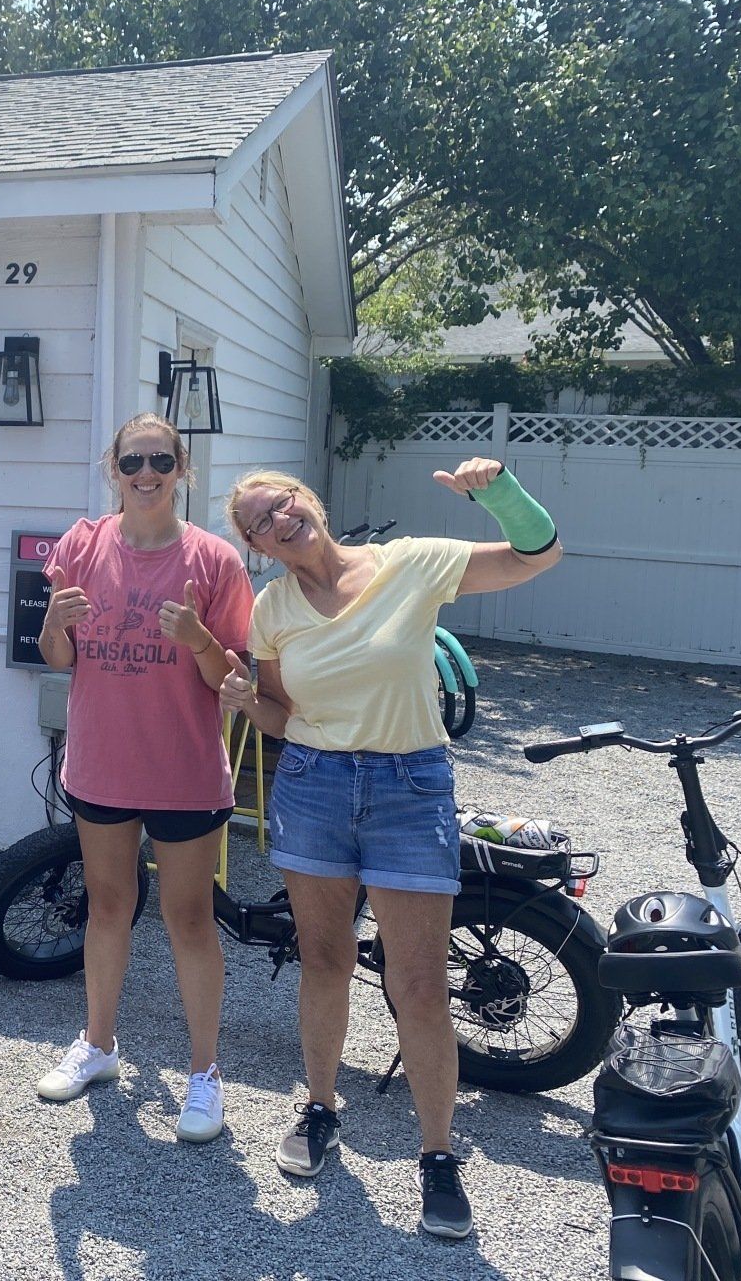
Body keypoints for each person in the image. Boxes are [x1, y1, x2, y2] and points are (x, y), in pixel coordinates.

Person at [219, 458, 563, 1240]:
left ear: (310, 502)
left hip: (410, 788)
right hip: (311, 786)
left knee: (418, 982)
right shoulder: (271, 609)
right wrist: (246, 701)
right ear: (257, 544)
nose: (279, 518)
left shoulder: (410, 563)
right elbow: (279, 713)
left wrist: (500, 492)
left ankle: (437, 1157)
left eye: (284, 502)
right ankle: (318, 1108)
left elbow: (536, 556)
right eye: (259, 520)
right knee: (324, 960)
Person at [32, 413, 253, 1145]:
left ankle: (204, 1073)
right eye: (133, 461)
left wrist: (199, 640)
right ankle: (98, 1045)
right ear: (114, 470)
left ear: (182, 468)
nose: (147, 472)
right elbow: (59, 659)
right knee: (108, 906)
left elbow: (232, 678)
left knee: (188, 918)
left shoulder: (215, 561)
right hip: (101, 762)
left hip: (185, 770)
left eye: (161, 459)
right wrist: (53, 627)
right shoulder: (82, 545)